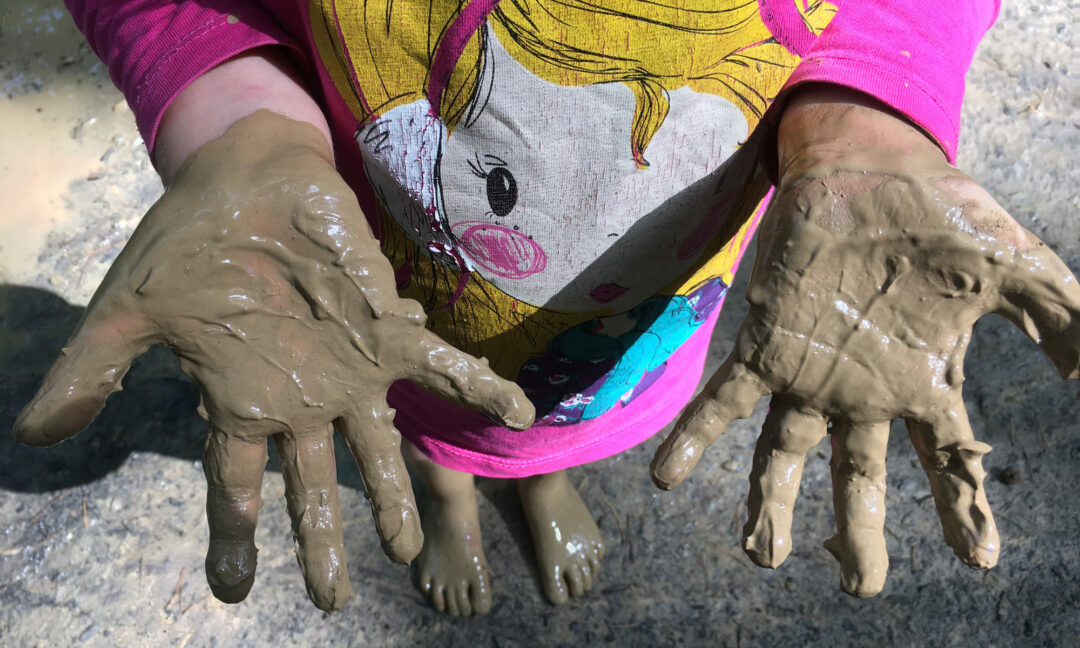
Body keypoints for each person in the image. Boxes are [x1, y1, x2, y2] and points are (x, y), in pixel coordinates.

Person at [15, 0, 1080, 616]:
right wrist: (241, 127)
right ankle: (451, 502)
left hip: (638, 329)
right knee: (433, 422)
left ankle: (541, 480)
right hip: (375, 301)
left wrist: (863, 128)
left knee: (559, 420)